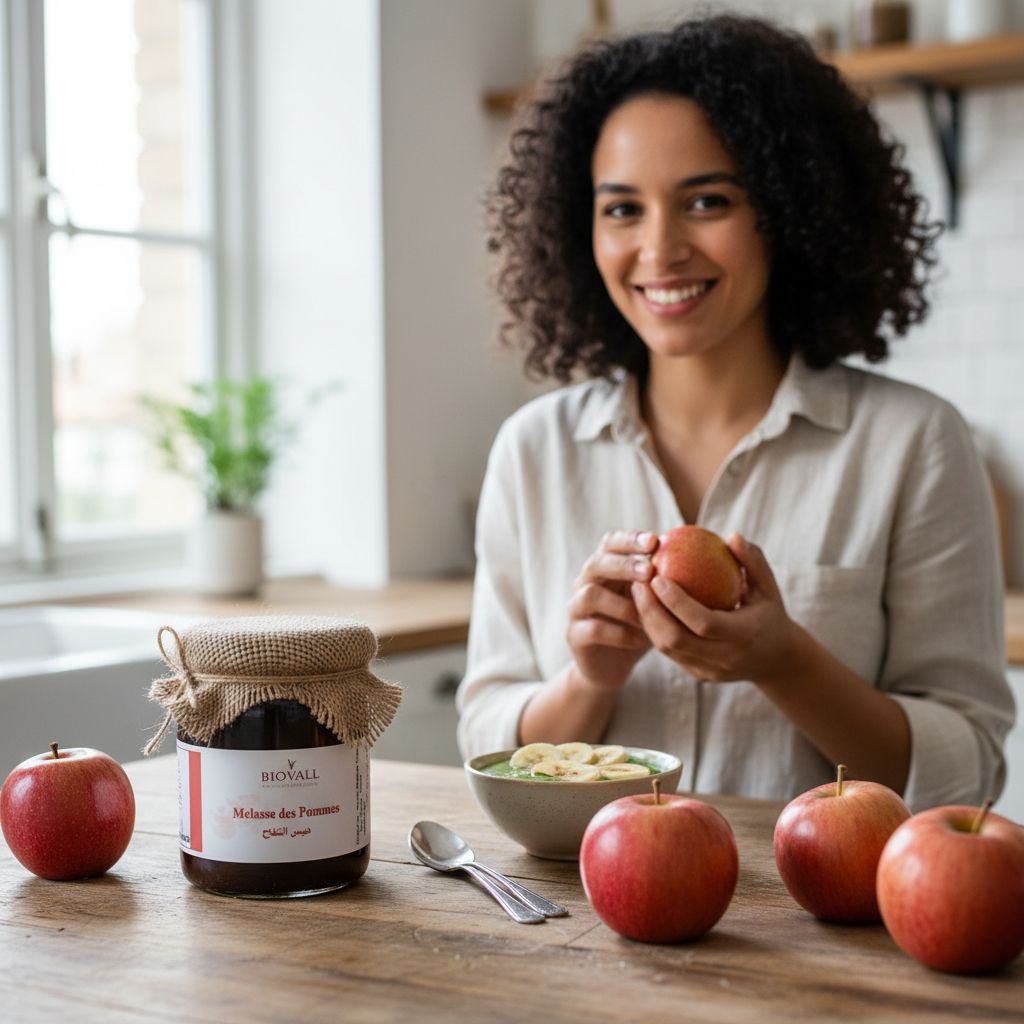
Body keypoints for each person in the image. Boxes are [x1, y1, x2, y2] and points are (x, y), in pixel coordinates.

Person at [456, 14, 1014, 810]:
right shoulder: (534, 451)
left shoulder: (913, 444)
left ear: (788, 211)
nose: (660, 250)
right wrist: (588, 680)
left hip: (818, 894)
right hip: (579, 890)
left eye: (707, 200)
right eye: (622, 209)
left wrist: (787, 663)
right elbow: (485, 736)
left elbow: (968, 765)